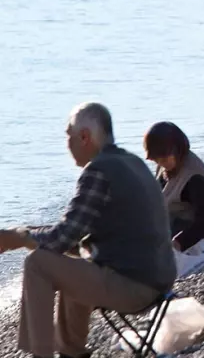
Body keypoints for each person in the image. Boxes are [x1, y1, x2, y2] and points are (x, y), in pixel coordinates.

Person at [0, 103, 176, 358]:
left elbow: (61, 239)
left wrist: (18, 237)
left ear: (84, 136)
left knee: (38, 263)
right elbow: (74, 234)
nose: (66, 144)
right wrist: (26, 233)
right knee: (72, 260)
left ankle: (42, 354)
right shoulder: (132, 162)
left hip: (134, 287)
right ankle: (72, 352)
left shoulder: (97, 171)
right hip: (158, 279)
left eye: (68, 136)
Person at [144, 122, 204, 278]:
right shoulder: (167, 166)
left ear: (177, 150)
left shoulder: (194, 178)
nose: (160, 163)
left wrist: (177, 243)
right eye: (157, 160)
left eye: (163, 159)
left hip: (193, 241)